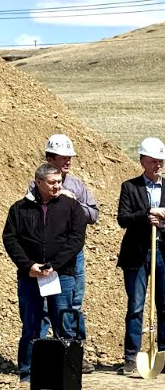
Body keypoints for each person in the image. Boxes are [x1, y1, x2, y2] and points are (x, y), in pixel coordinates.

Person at [3, 164, 86, 383]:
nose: (57, 186)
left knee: (63, 323)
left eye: (59, 181)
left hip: (61, 275)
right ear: (38, 182)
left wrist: (54, 265)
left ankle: (66, 373)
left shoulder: (71, 207)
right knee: (32, 324)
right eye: (52, 182)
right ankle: (28, 372)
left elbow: (76, 239)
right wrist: (28, 265)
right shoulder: (20, 209)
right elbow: (10, 239)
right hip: (30, 276)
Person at [30, 134, 99, 374]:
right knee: (46, 308)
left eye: (70, 157)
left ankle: (74, 355)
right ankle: (38, 358)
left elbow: (93, 215)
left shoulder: (77, 186)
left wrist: (73, 203)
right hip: (47, 256)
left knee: (73, 303)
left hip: (73, 255)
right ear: (50, 158)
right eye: (63, 157)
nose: (68, 161)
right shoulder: (37, 185)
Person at [116, 137, 165, 376]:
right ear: (142, 161)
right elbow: (123, 218)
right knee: (135, 307)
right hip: (137, 254)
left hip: (163, 254)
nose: (158, 165)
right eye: (154, 161)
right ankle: (131, 358)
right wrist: (147, 213)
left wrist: (164, 227)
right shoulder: (130, 187)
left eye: (161, 161)